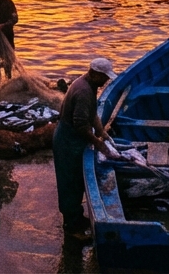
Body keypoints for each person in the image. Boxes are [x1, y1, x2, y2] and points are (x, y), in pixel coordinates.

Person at [54, 58, 118, 241]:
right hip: (68, 140)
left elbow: (91, 115)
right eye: (104, 77)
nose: (106, 81)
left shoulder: (88, 85)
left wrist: (101, 132)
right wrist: (98, 144)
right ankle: (71, 228)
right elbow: (81, 125)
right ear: (94, 73)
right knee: (70, 183)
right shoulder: (83, 91)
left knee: (77, 181)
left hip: (74, 139)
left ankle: (77, 217)